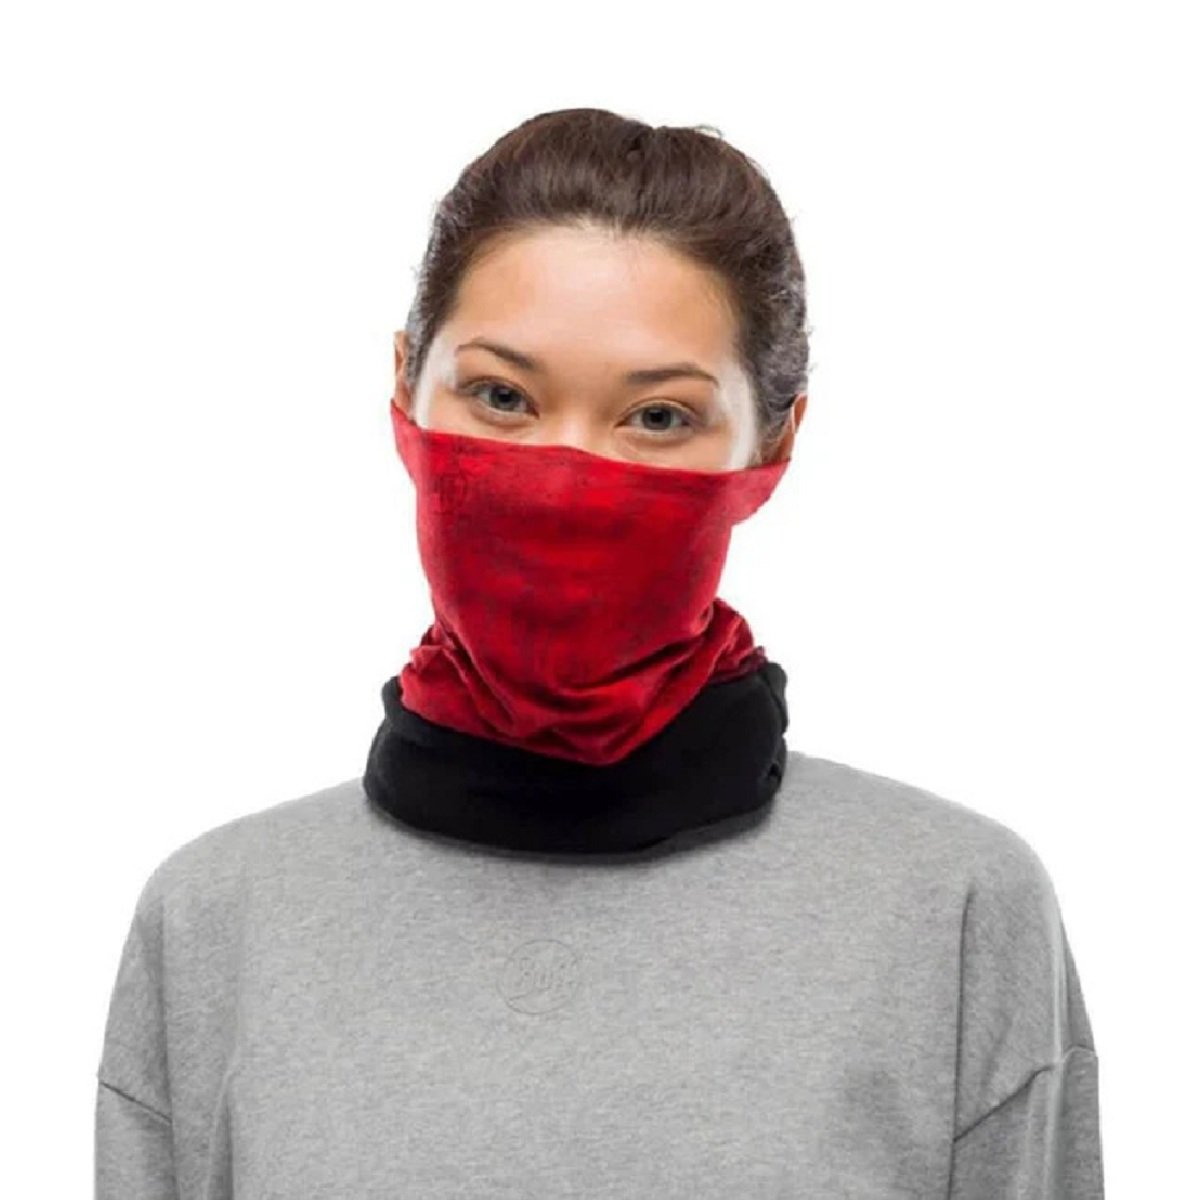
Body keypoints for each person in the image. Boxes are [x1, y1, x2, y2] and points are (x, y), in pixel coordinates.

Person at [95, 108, 1105, 1197]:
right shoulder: (214, 925)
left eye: (658, 417)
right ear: (403, 388)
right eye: (502, 397)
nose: (566, 475)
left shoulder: (956, 912)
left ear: (774, 442)